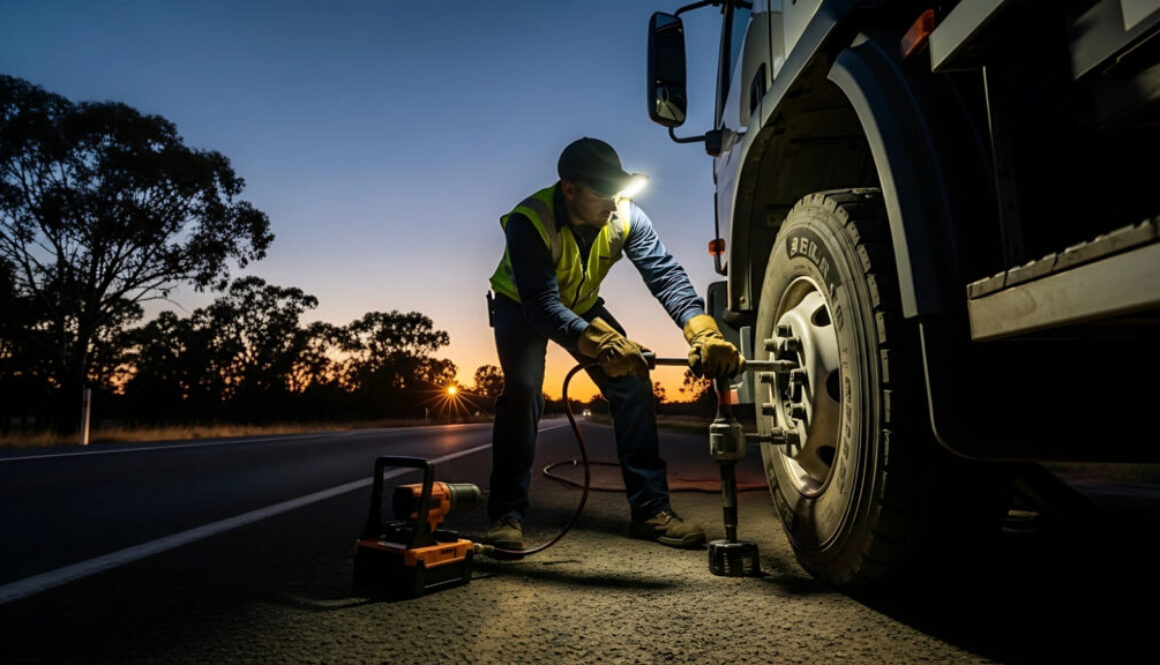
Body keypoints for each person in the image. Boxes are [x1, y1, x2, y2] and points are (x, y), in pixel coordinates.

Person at [486, 137, 743, 551]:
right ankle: (506, 515)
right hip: (523, 307)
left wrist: (703, 330)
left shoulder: (625, 215)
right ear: (570, 189)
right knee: (524, 392)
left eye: (618, 191)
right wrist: (599, 342)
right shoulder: (528, 220)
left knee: (633, 382)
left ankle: (650, 511)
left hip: (582, 304)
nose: (614, 202)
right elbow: (542, 305)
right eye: (604, 192)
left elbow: (665, 275)